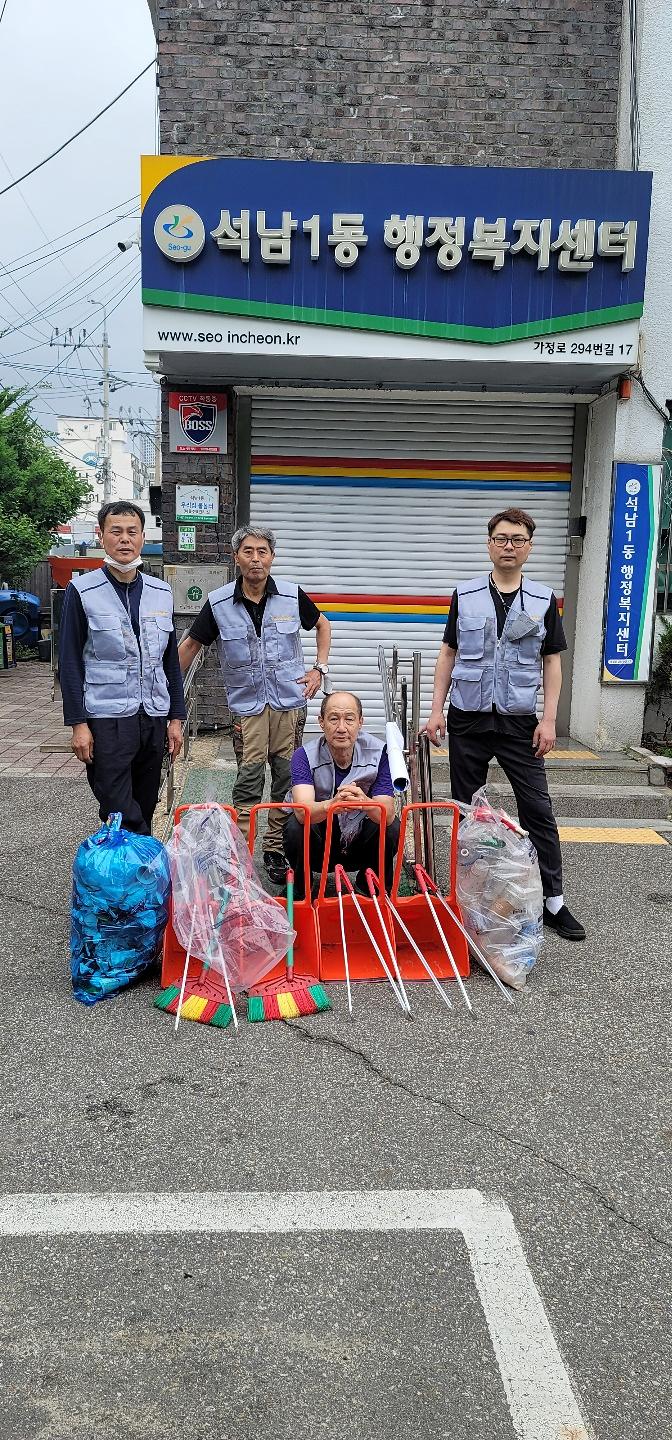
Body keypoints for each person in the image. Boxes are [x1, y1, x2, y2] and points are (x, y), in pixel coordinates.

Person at [423, 506, 585, 941]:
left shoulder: (543, 600)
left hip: (519, 722)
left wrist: (549, 720)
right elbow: (448, 654)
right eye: (501, 538)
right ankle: (468, 899)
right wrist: (436, 711)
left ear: (529, 547)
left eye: (518, 539)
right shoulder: (465, 595)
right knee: (466, 812)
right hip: (468, 717)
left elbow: (552, 662)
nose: (509, 546)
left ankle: (553, 901)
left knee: (538, 810)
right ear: (489, 544)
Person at [178, 525, 332, 881]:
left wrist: (319, 669)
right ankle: (243, 851)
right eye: (248, 551)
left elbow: (323, 626)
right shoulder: (218, 603)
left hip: (288, 704)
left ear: (272, 557)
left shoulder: (291, 596)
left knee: (285, 777)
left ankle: (274, 849)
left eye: (262, 551)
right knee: (248, 779)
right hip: (247, 707)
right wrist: (166, 688)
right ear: (236, 557)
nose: (256, 559)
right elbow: (191, 646)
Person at [60, 501, 185, 834]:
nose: (125, 539)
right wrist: (78, 724)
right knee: (118, 806)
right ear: (102, 536)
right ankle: (143, 853)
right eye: (116, 531)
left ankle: (132, 860)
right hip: (107, 717)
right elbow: (70, 662)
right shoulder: (82, 591)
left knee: (146, 802)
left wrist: (176, 718)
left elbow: (169, 661)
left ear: (143, 537)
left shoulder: (161, 591)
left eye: (132, 532)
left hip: (153, 715)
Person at [284, 690, 400, 901]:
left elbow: (388, 813)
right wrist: (332, 804)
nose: (341, 728)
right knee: (294, 825)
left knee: (390, 826)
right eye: (333, 719)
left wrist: (364, 802)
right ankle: (302, 888)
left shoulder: (380, 752)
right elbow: (302, 811)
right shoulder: (304, 755)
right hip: (321, 846)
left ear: (360, 722)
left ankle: (371, 883)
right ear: (321, 722)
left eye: (349, 719)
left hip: (359, 842)